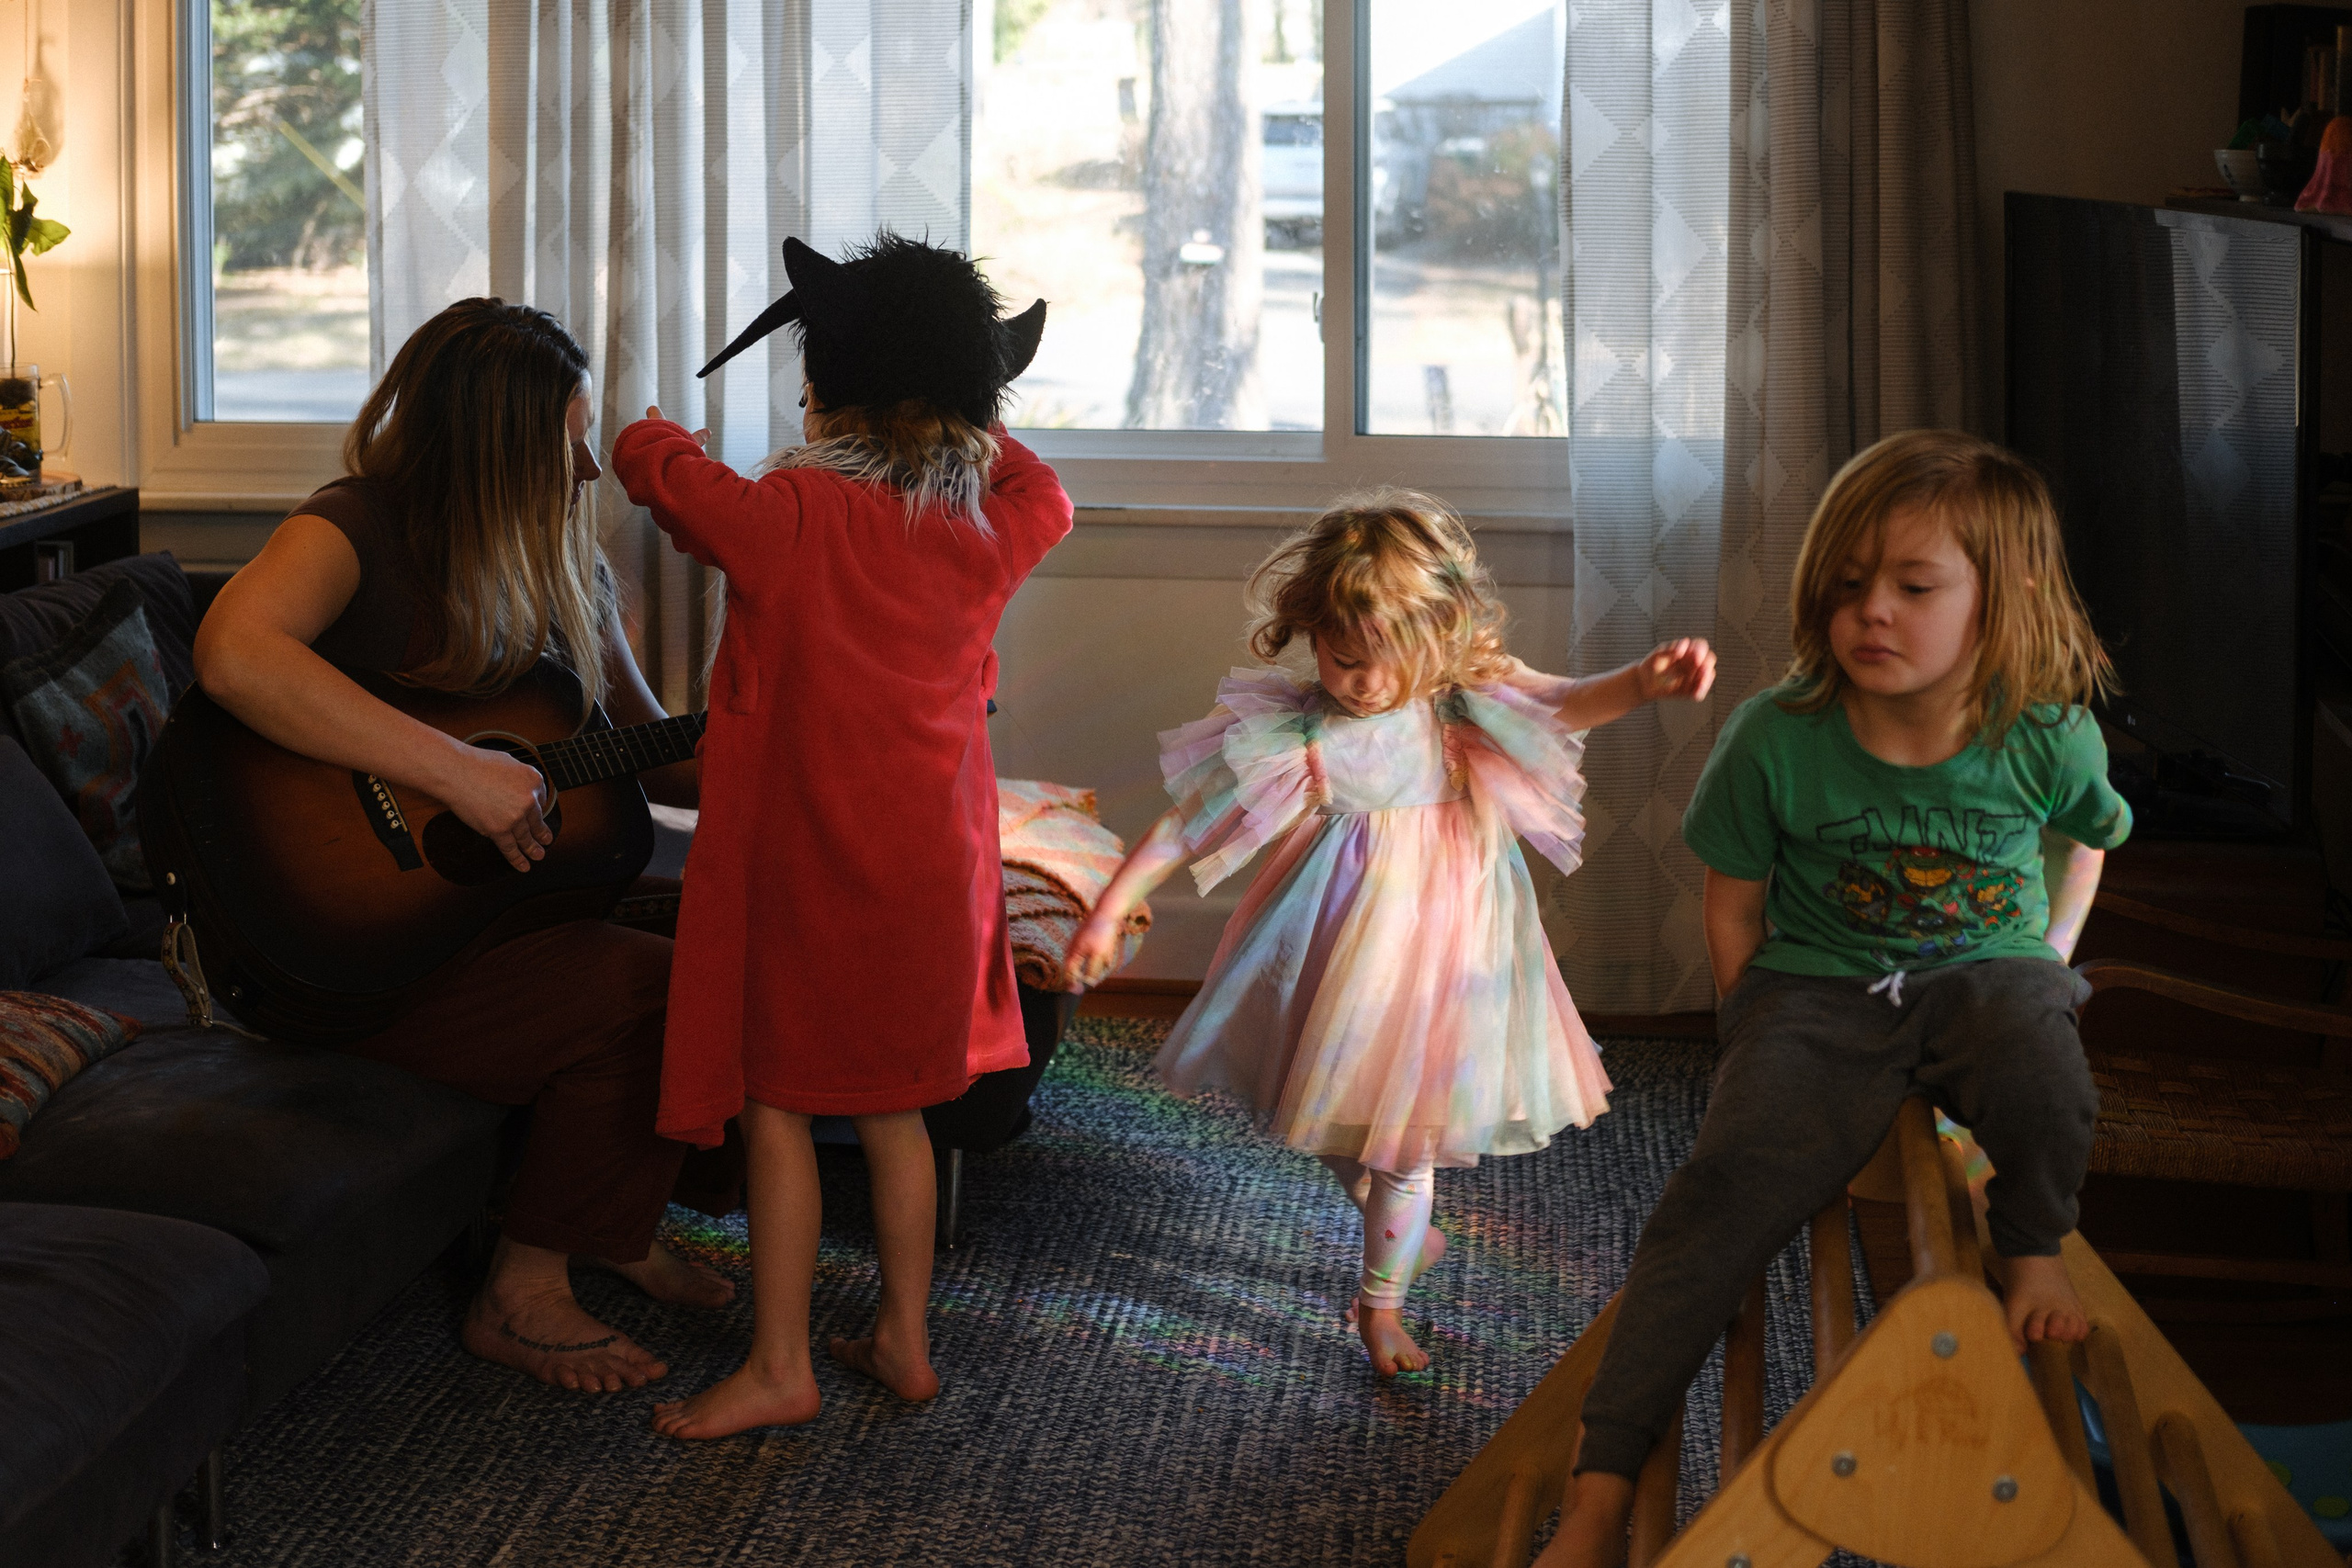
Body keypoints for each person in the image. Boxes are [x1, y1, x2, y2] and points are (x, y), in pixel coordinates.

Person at [1538, 429, 2130, 1567]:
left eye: (1913, 588)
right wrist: (1746, 1019)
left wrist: (2049, 953)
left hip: (1985, 972)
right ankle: (1600, 1488)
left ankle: (2033, 1241)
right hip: (1814, 987)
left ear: (1999, 596)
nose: (1873, 612)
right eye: (1850, 585)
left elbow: (2091, 844)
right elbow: (1732, 903)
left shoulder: (2044, 733)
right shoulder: (1776, 737)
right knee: (1713, 1202)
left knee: (2044, 1060)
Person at [193, 299, 732, 1395]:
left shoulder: (565, 574)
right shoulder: (349, 528)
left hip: (485, 933)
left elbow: (651, 756)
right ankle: (522, 1289)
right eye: (570, 436)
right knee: (657, 989)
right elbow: (234, 654)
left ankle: (605, 1223)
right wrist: (457, 774)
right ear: (497, 439)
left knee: (732, 936)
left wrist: (801, 731)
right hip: (340, 955)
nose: (588, 470)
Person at [1064, 491, 1718, 1377]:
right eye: (1344, 659)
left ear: (1441, 635)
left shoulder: (1458, 709)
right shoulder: (1297, 731)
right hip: (1336, 953)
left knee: (1406, 1142)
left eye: (1387, 660)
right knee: (1339, 1128)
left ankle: (1381, 1304)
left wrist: (1643, 682)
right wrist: (1109, 905)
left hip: (1445, 962)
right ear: (1313, 634)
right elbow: (1191, 824)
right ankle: (1400, 1226)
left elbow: (1564, 704)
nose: (1365, 682)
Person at [610, 232, 1069, 1440]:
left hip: (806, 872)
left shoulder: (792, 515)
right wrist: (962, 412)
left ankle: (780, 1360)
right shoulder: (991, 530)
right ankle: (905, 1338)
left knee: (777, 1107)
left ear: (826, 394)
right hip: (933, 878)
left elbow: (656, 469)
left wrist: (649, 424)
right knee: (896, 1109)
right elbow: (1046, 489)